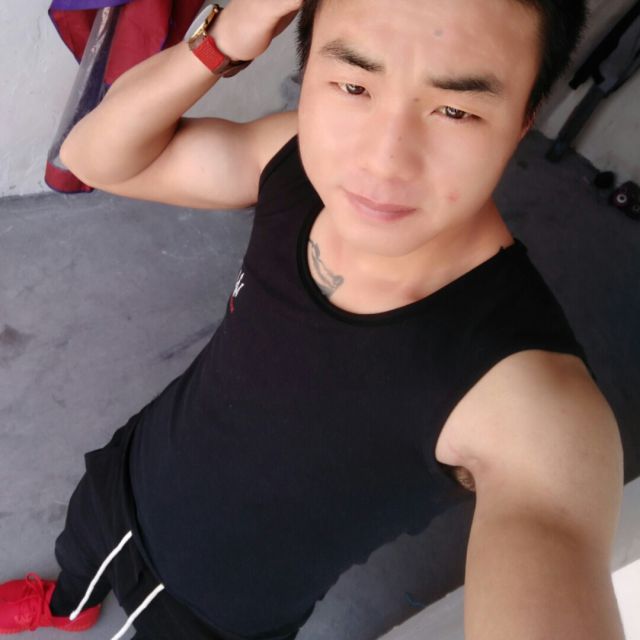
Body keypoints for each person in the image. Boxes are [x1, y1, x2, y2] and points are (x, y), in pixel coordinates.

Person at [0, 0, 626, 638]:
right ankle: (67, 608)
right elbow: (94, 157)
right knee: (79, 562)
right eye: (354, 86)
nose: (383, 161)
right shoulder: (292, 159)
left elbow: (552, 540)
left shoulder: (531, 402)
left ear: (522, 122)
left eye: (455, 110)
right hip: (131, 477)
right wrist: (223, 38)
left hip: (220, 616)